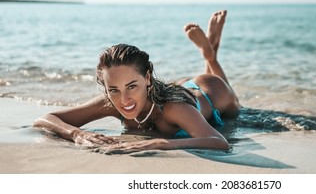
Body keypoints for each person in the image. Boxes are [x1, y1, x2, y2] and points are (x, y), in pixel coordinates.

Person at [33, 10, 240, 152]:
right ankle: (209, 51)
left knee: (237, 108)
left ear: (147, 78)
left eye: (132, 86)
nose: (124, 100)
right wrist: (76, 134)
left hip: (210, 90)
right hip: (178, 88)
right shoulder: (111, 102)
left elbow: (219, 142)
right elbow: (45, 119)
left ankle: (210, 55)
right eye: (113, 89)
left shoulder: (172, 109)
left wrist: (161, 144)